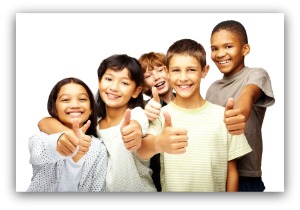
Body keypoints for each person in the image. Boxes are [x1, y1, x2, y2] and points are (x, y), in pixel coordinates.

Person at [137, 38, 252, 192]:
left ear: (204, 71)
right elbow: (142, 150)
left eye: (191, 70)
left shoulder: (224, 116)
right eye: (176, 70)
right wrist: (159, 143)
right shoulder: (160, 115)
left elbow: (231, 171)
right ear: (168, 73)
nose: (183, 77)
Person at [38, 54, 156, 192]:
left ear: (136, 91)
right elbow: (44, 122)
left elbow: (137, 125)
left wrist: (134, 131)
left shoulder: (136, 114)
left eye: (124, 83)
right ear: (99, 82)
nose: (114, 87)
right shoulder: (94, 123)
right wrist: (69, 134)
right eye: (108, 79)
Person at [206, 20, 275, 192]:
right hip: (217, 175)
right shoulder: (212, 88)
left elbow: (248, 94)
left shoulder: (256, 74)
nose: (220, 54)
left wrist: (240, 115)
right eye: (214, 48)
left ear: (245, 49)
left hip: (247, 179)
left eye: (228, 46)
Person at [27, 77, 108, 192]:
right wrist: (62, 140)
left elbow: (98, 189)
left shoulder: (99, 148)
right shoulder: (40, 138)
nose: (75, 105)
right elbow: (39, 153)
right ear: (54, 108)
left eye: (82, 99)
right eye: (65, 100)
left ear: (91, 109)